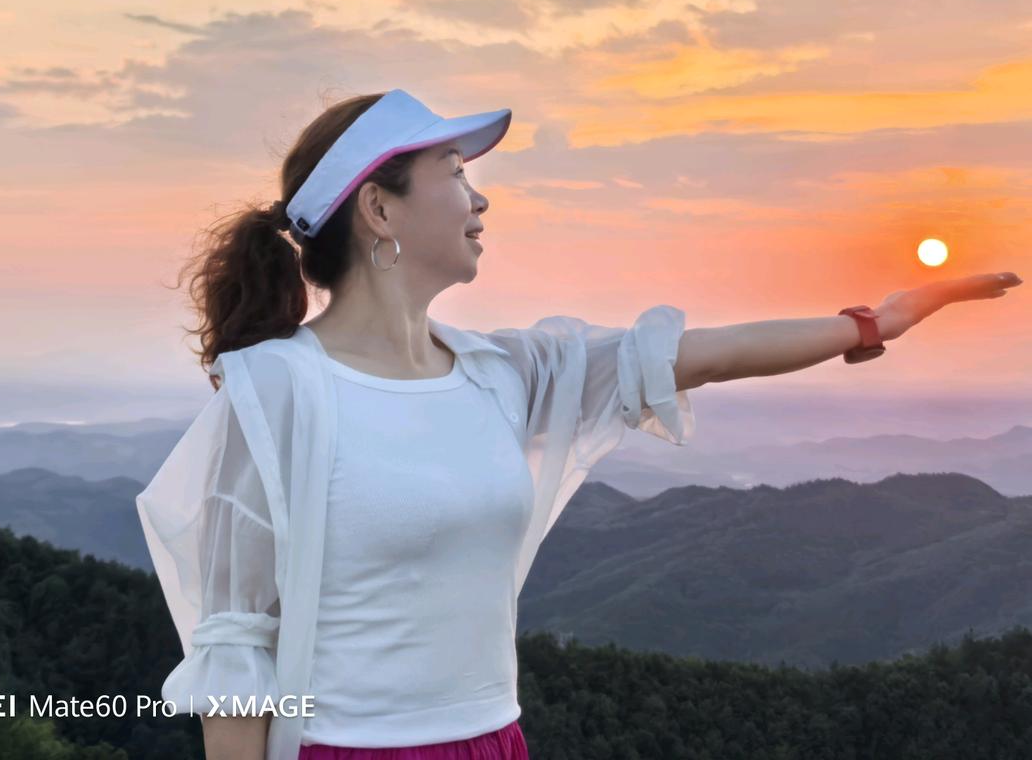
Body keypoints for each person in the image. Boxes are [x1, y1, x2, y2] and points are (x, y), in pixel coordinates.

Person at [136, 88, 1022, 760]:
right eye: (455, 175)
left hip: (495, 738)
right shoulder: (281, 389)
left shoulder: (504, 373)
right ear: (378, 207)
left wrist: (875, 324)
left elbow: (698, 355)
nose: (480, 201)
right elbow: (236, 641)